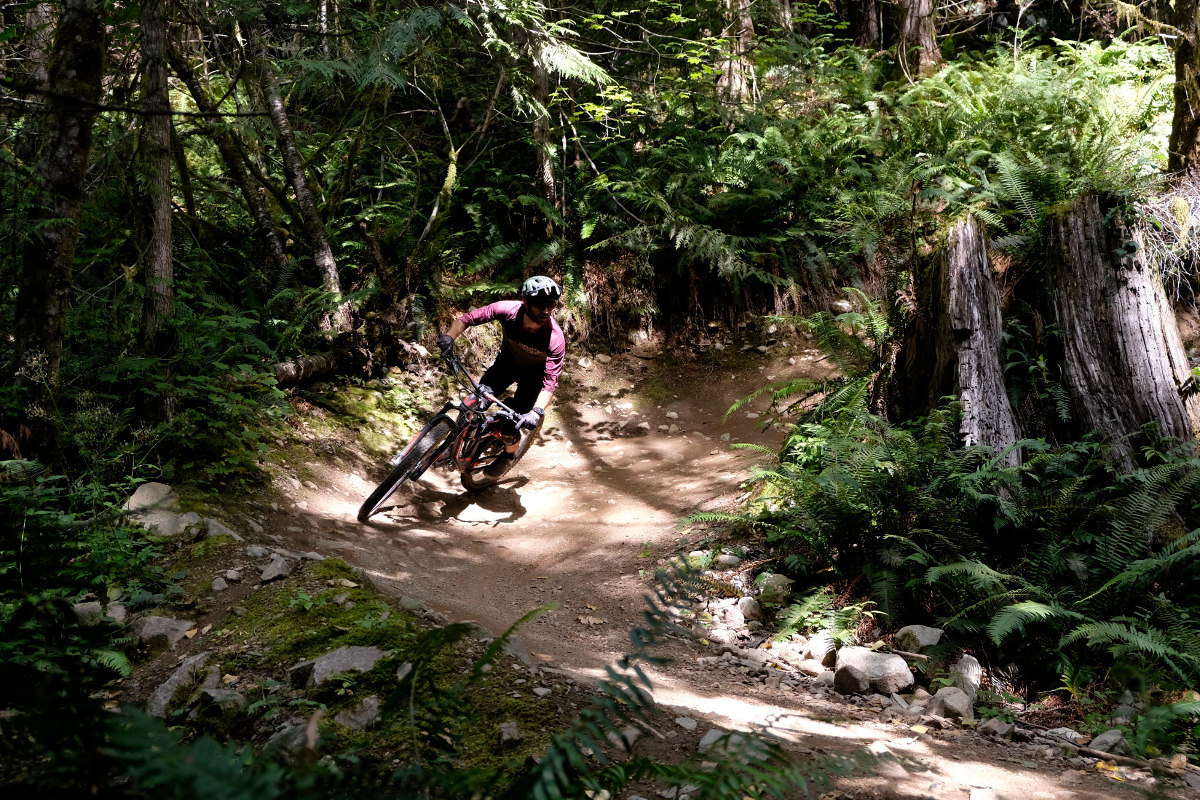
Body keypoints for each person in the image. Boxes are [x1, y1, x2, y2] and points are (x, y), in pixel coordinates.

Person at [435, 275, 565, 477]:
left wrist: (536, 412)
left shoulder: (554, 339)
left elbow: (549, 384)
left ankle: (508, 456)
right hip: (506, 365)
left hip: (533, 380)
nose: (546, 310)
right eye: (541, 304)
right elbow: (466, 319)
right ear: (526, 301)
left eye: (551, 305)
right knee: (471, 406)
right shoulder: (506, 310)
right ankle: (450, 446)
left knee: (510, 427)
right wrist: (448, 337)